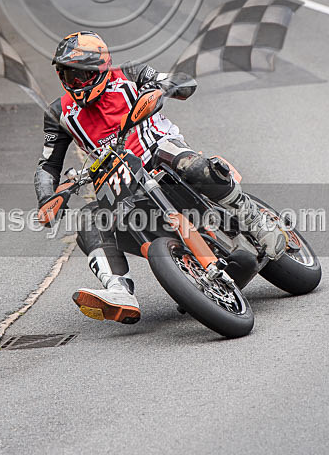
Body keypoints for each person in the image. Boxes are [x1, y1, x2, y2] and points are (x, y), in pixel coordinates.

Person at [34, 32, 287, 324]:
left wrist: (163, 87)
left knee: (187, 163)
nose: (75, 83)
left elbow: (183, 82)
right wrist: (46, 197)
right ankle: (118, 290)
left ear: (100, 70)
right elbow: (47, 165)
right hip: (116, 182)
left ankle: (255, 220)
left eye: (82, 75)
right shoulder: (57, 113)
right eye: (68, 75)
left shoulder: (129, 73)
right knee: (89, 220)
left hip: (159, 153)